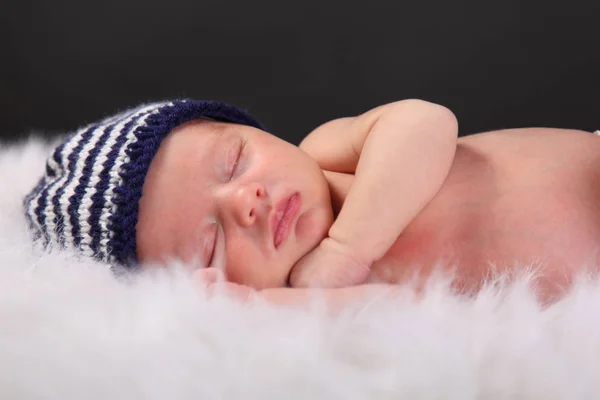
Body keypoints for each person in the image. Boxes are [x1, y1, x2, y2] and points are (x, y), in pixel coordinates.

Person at [23, 99, 600, 305]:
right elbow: (393, 318)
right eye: (211, 242)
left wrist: (350, 248)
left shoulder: (329, 152)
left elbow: (427, 123)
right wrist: (259, 312)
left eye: (234, 162)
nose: (244, 203)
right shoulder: (307, 290)